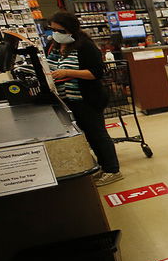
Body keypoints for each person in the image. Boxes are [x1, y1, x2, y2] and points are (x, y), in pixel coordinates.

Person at [46, 11, 123, 186]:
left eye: (60, 30)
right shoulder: (54, 46)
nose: (55, 33)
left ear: (70, 30)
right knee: (88, 135)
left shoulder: (85, 46)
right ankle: (103, 166)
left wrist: (68, 72)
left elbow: (96, 73)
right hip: (68, 99)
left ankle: (113, 169)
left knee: (97, 134)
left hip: (88, 98)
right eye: (53, 29)